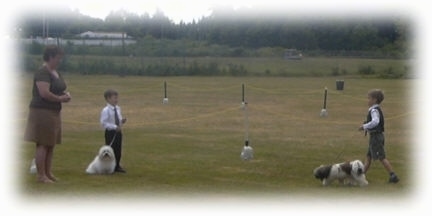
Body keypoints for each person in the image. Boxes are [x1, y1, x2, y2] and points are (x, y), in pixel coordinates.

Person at [24, 45, 72, 183]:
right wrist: (60, 99)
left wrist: (65, 95)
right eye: (58, 58)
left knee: (51, 143)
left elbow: (58, 88)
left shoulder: (55, 72)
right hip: (42, 112)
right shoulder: (42, 72)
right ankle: (41, 176)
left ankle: (48, 173)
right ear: (50, 57)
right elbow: (44, 93)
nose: (59, 61)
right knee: (43, 143)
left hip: (54, 111)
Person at [358, 89, 399, 183]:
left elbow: (375, 122)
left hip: (376, 137)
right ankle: (361, 175)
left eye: (369, 98)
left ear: (375, 100)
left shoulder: (374, 110)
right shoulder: (374, 109)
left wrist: (364, 126)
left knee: (381, 157)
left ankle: (393, 175)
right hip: (374, 137)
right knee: (368, 156)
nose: (367, 100)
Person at [100, 89, 127, 173]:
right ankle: (108, 167)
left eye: (117, 98)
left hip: (118, 132)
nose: (116, 100)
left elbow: (118, 119)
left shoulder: (118, 108)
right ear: (108, 99)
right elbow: (104, 123)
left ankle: (117, 166)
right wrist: (114, 127)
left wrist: (121, 121)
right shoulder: (106, 110)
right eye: (114, 98)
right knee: (110, 150)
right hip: (110, 133)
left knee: (118, 149)